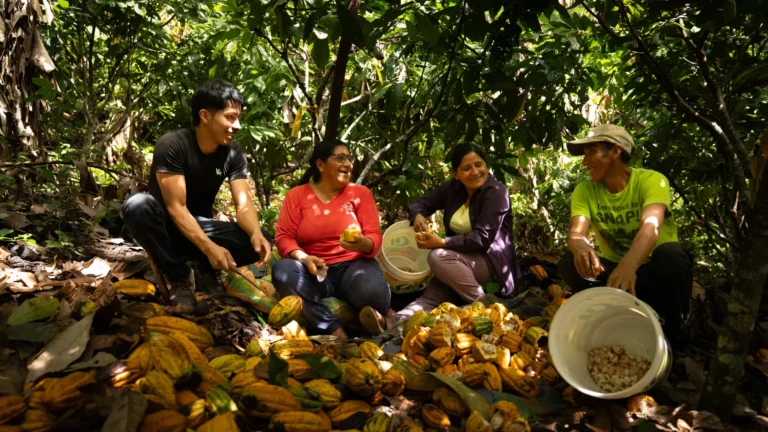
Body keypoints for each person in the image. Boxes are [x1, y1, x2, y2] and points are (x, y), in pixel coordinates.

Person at [122, 80, 272, 313]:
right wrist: (210, 247)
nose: (238, 125)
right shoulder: (173, 144)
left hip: (200, 227)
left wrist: (254, 232)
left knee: (261, 239)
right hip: (166, 225)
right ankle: (178, 276)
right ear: (205, 116)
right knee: (137, 205)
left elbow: (244, 205)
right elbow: (176, 208)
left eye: (238, 117)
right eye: (230, 117)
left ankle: (204, 270)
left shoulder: (233, 154)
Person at [558, 124, 692, 344]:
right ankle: (608, 320)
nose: (584, 161)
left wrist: (629, 266)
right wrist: (580, 245)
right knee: (569, 262)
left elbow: (651, 226)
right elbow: (576, 234)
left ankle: (676, 332)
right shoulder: (585, 190)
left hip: (653, 274)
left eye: (591, 152)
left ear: (616, 151)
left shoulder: (651, 180)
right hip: (614, 279)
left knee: (672, 255)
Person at [379, 143, 521, 326]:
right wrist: (419, 215)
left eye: (479, 165)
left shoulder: (496, 193)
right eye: (467, 168)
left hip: (489, 260)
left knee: (438, 257)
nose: (475, 172)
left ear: (486, 165)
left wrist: (440, 242)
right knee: (432, 296)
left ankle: (484, 307)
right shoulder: (453, 188)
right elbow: (419, 204)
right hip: (458, 258)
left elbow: (482, 239)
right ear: (457, 174)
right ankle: (396, 321)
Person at [271, 139, 392, 340]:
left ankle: (373, 312)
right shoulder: (297, 196)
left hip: (354, 267)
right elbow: (284, 237)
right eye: (340, 158)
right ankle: (334, 329)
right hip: (315, 271)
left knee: (374, 294)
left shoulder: (360, 194)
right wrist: (304, 258)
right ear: (320, 165)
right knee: (283, 272)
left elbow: (374, 235)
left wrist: (364, 243)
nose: (348, 164)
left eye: (349, 158)